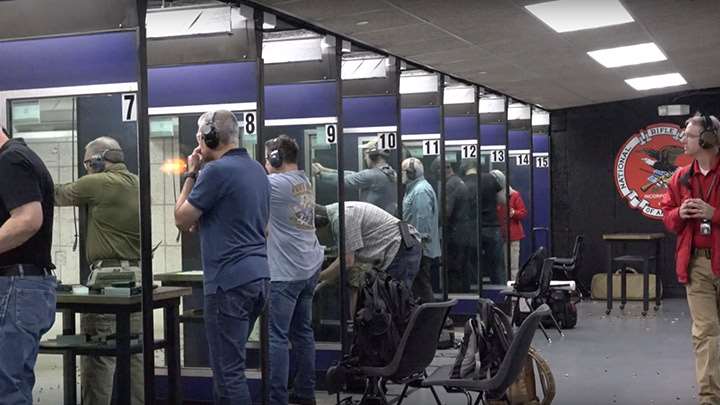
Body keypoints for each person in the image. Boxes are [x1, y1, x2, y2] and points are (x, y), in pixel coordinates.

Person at [175, 110, 270, 404]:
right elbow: (262, 228)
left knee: (229, 374)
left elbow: (180, 217)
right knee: (228, 370)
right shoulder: (257, 170)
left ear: (210, 137)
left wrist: (192, 172)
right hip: (259, 277)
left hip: (228, 283)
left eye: (201, 140)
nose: (199, 147)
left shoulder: (215, 172)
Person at [54, 136, 143, 404]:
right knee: (135, 355)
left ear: (95, 160)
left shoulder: (97, 182)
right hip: (137, 276)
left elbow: (55, 194)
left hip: (108, 279)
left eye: (86, 164)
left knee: (98, 355)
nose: (85, 170)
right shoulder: (139, 182)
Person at [661, 113, 720, 405]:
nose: (682, 139)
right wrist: (678, 214)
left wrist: (714, 214)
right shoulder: (679, 177)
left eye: (689, 135)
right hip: (697, 265)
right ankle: (710, 399)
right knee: (705, 333)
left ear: (708, 140)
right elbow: (668, 218)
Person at [264, 135, 323, 405]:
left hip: (285, 272)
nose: (265, 164)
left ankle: (277, 399)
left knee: (275, 336)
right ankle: (305, 393)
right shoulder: (303, 180)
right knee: (302, 333)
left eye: (267, 158)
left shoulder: (275, 183)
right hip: (308, 268)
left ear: (275, 158)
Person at [0, 127, 57, 404]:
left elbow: (27, 219)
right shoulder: (22, 157)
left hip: (15, 287)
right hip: (23, 287)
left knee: (7, 389)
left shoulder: (10, 160)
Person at [316, 201, 421, 310]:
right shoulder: (338, 212)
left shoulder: (342, 217)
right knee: (390, 305)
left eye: (316, 234)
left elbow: (347, 261)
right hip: (397, 249)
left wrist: (317, 278)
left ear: (321, 224)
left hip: (401, 248)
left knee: (395, 304)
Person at [313, 140, 397, 215]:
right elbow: (353, 175)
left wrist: (320, 173)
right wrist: (325, 169)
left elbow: (346, 180)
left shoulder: (373, 175)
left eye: (366, 155)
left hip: (375, 220)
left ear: (373, 156)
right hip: (384, 216)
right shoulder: (389, 172)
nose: (365, 158)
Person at [401, 157, 440, 303]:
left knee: (421, 285)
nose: (401, 174)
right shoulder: (417, 188)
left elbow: (422, 226)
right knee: (420, 285)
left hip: (420, 248)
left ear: (411, 173)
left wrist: (414, 248)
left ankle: (434, 319)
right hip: (419, 248)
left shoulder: (420, 192)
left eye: (404, 171)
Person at [431, 157, 469, 287]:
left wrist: (433, 228)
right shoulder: (458, 181)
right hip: (463, 232)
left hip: (454, 235)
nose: (437, 177)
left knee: (453, 270)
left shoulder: (450, 185)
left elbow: (445, 213)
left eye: (436, 173)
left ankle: (455, 304)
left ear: (441, 170)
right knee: (461, 269)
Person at [490, 169, 527, 281]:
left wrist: (513, 213)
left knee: (513, 265)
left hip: (513, 236)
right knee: (501, 265)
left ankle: (513, 287)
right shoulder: (493, 196)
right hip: (500, 235)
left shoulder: (514, 195)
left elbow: (523, 213)